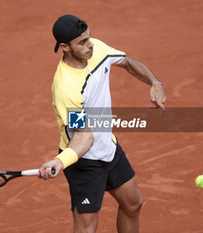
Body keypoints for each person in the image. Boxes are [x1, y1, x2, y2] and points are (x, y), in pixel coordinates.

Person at [39, 15, 166, 233]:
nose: (90, 45)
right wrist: (61, 161)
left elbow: (127, 62)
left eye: (89, 37)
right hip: (84, 162)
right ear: (64, 47)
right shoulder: (66, 88)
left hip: (108, 148)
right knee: (86, 229)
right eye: (81, 42)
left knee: (133, 203)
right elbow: (83, 136)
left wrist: (155, 82)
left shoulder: (96, 48)